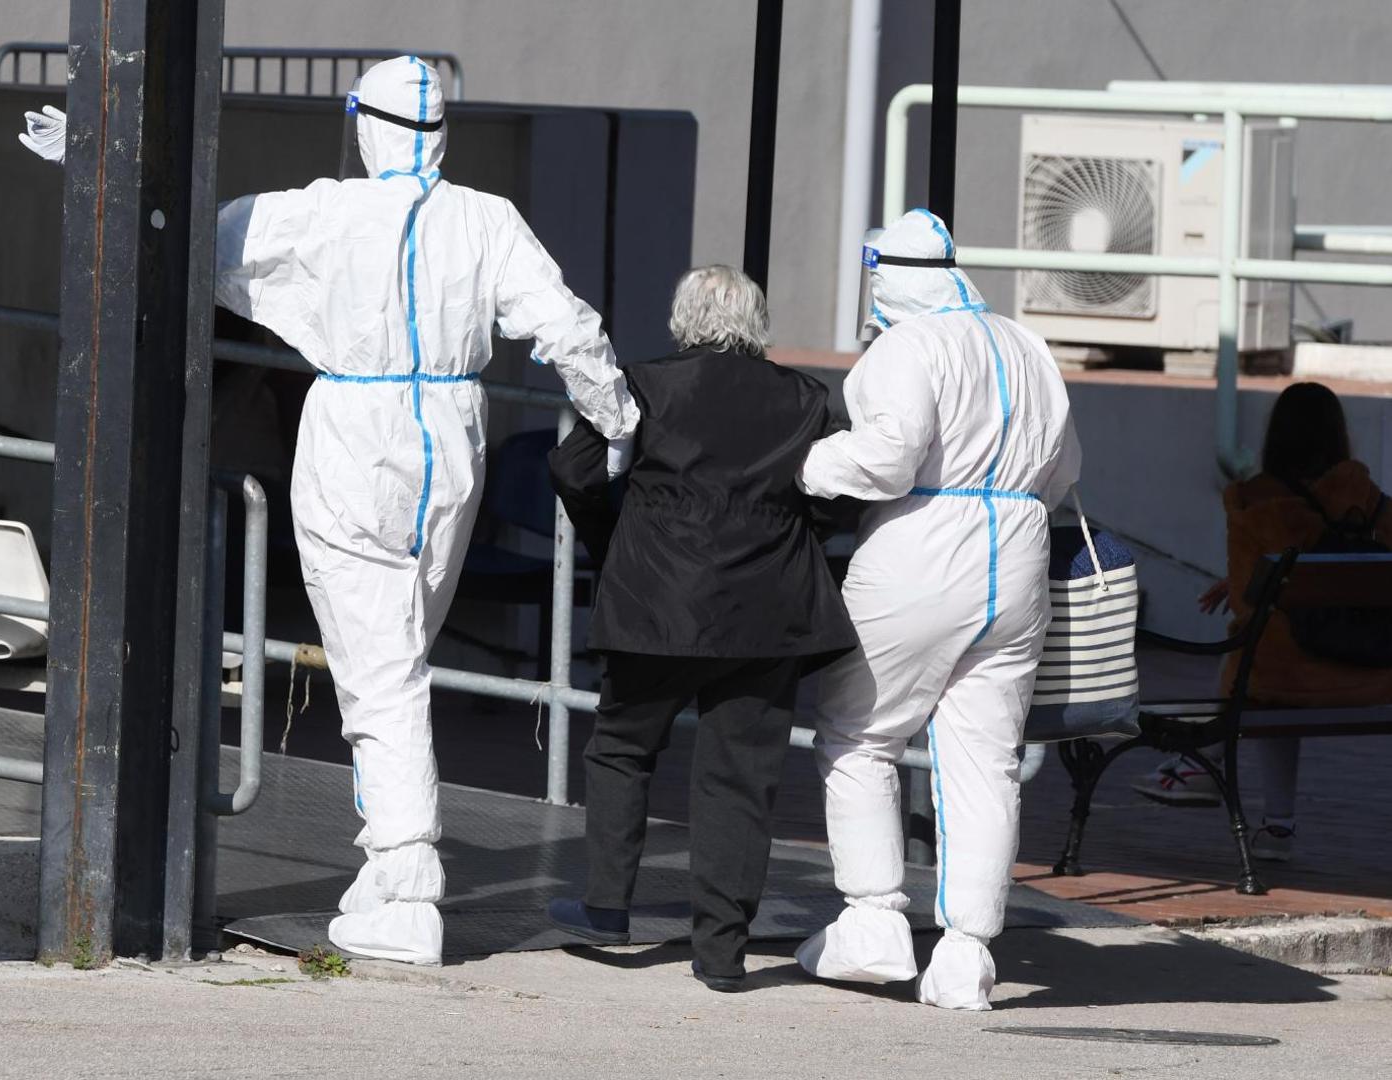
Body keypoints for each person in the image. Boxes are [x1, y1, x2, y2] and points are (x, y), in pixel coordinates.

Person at [21, 56, 640, 965]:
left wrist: (92, 159)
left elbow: (183, 234)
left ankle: (408, 877)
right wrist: (615, 419)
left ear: (364, 124)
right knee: (396, 656)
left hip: (357, 436)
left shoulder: (322, 212)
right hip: (452, 441)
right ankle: (383, 864)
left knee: (380, 672)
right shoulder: (488, 220)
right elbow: (570, 328)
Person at [793, 209, 1080, 1011]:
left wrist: (808, 466)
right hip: (1018, 550)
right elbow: (1066, 469)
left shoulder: (906, 346)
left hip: (921, 543)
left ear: (884, 277)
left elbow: (886, 460)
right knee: (986, 761)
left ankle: (873, 920)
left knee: (858, 733)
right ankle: (966, 956)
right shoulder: (1027, 345)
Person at [545, 265, 857, 992]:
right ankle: (721, 952)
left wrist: (615, 540)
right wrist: (798, 533)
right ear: (757, 323)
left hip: (655, 602)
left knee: (622, 749)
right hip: (768, 612)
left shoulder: (645, 385)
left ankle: (607, 908)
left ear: (682, 320)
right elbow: (844, 489)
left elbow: (574, 470)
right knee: (741, 778)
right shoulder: (806, 398)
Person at [1133, 382, 1392, 861]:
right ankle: (1238, 798)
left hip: (1285, 678)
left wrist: (1243, 582)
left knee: (1259, 661)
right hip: (1371, 674)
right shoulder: (1364, 496)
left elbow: (1249, 604)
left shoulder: (1253, 502)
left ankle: (1206, 767)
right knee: (1269, 662)